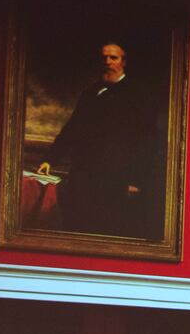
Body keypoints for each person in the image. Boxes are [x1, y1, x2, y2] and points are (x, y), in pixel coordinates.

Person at [36, 41, 152, 238]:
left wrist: (137, 179)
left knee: (107, 232)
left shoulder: (137, 96)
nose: (108, 62)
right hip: (84, 177)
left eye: (113, 57)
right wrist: (50, 159)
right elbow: (71, 130)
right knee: (77, 229)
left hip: (117, 181)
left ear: (123, 62)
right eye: (104, 57)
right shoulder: (90, 93)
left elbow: (146, 141)